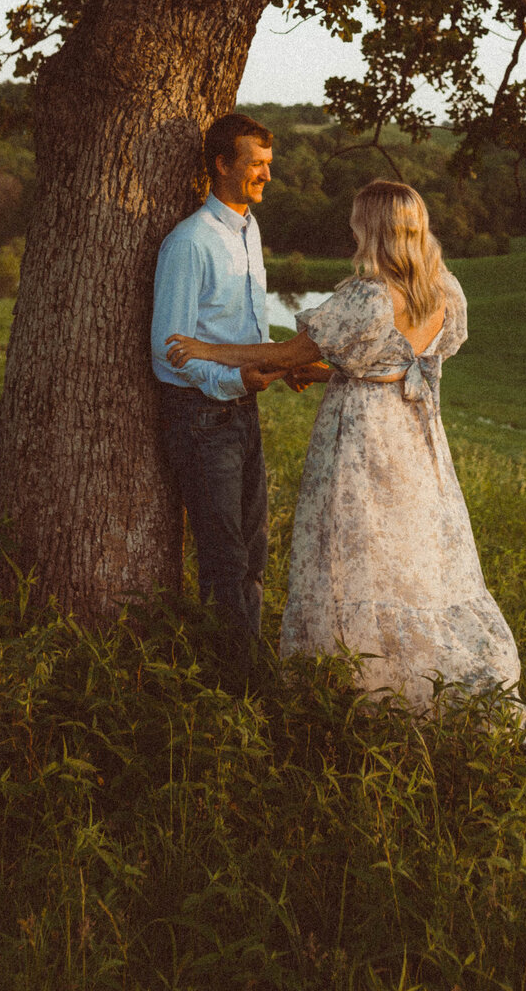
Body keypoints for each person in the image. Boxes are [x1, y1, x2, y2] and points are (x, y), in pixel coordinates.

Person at [166, 179, 523, 718]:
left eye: (358, 220)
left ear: (374, 228)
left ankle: (349, 684)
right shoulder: (444, 289)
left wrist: (206, 348)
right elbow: (389, 365)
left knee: (348, 548)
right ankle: (406, 672)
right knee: (406, 552)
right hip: (414, 436)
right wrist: (321, 371)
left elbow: (287, 352)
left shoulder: (369, 294)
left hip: (361, 440)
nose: (351, 228)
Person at [151, 111, 285, 672]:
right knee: (225, 556)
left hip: (242, 410)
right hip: (200, 417)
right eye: (255, 164)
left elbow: (245, 328)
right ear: (222, 165)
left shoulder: (249, 230)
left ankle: (243, 665)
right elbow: (169, 350)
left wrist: (282, 362)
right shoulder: (190, 243)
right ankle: (235, 682)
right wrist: (233, 378)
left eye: (268, 165)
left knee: (253, 549)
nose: (265, 176)